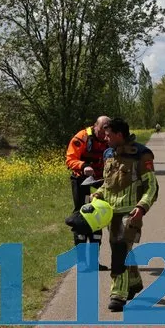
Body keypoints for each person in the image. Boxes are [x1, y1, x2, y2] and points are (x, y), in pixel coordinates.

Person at [93, 117, 159, 312]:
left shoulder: (142, 154)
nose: (105, 138)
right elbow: (108, 184)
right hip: (110, 214)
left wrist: (142, 207)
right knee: (124, 250)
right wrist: (98, 194)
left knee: (119, 250)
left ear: (119, 135)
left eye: (108, 135)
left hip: (130, 214)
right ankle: (134, 282)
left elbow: (152, 186)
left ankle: (118, 295)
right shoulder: (108, 154)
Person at [65, 115, 111, 270]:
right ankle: (82, 261)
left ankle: (93, 261)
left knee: (98, 218)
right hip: (81, 180)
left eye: (107, 132)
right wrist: (83, 166)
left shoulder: (109, 138)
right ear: (95, 126)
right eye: (102, 131)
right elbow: (70, 159)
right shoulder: (82, 137)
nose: (104, 135)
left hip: (100, 181)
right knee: (83, 217)